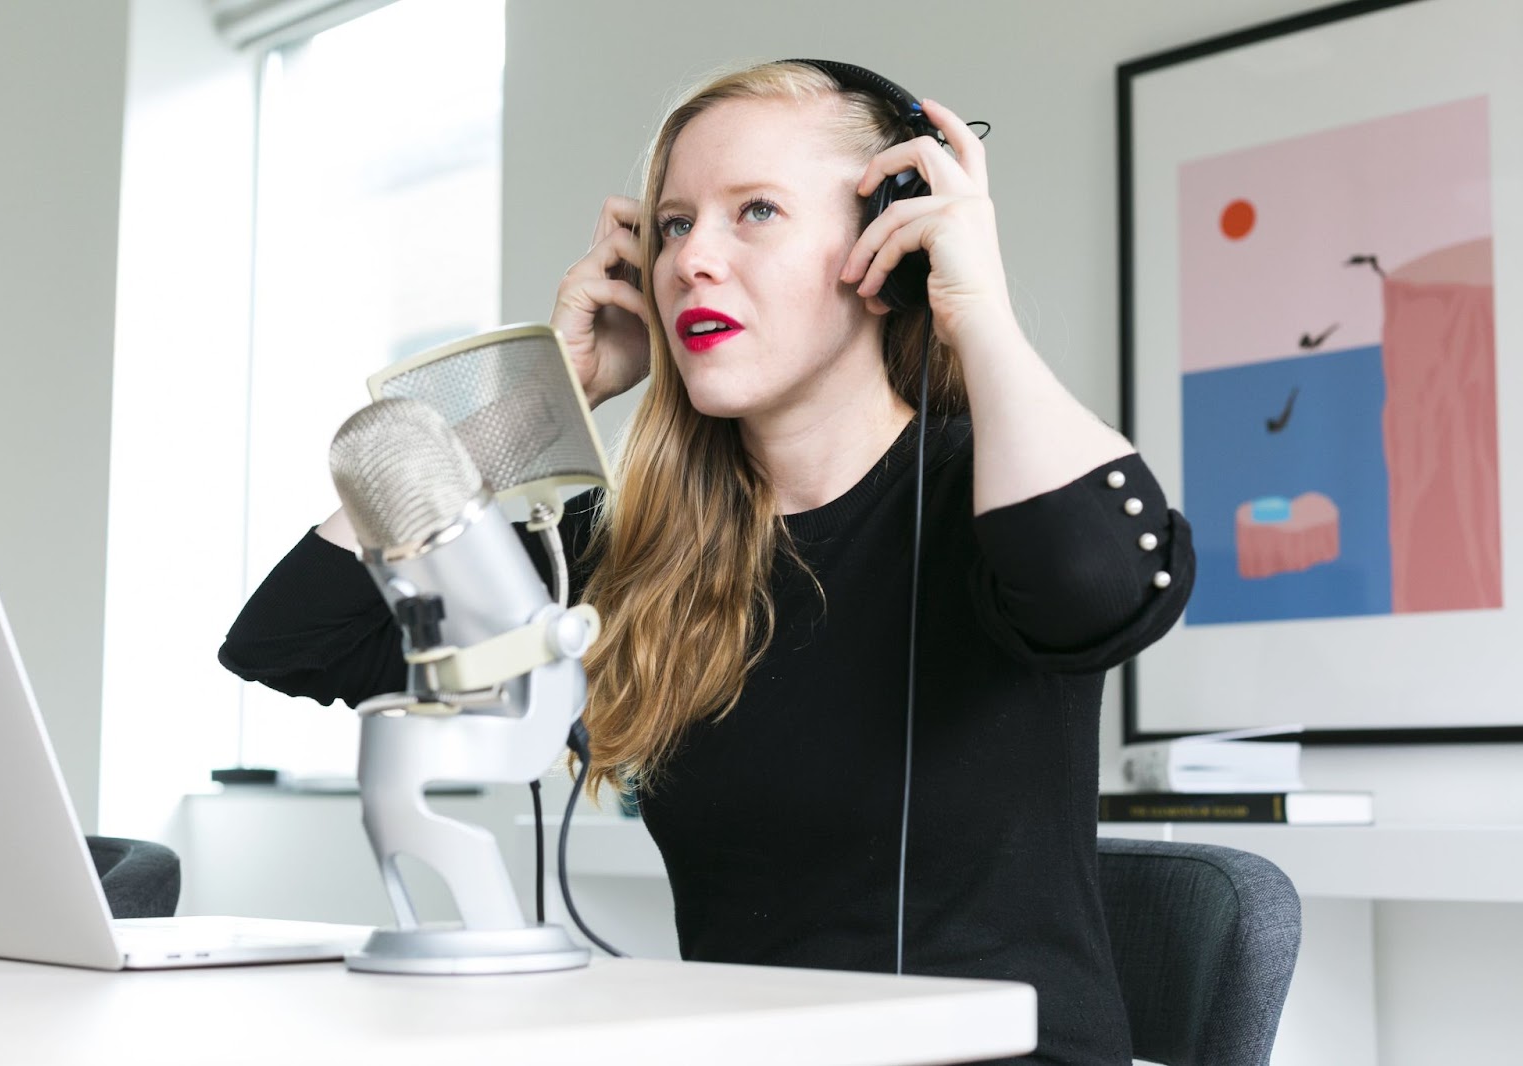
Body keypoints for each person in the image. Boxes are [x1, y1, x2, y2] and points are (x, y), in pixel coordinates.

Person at [220, 60, 1194, 1066]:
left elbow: (1100, 586)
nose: (692, 261)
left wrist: (974, 304)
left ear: (888, 247)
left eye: (756, 211)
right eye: (674, 224)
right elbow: (297, 638)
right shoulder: (632, 547)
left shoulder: (988, 495)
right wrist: (541, 405)